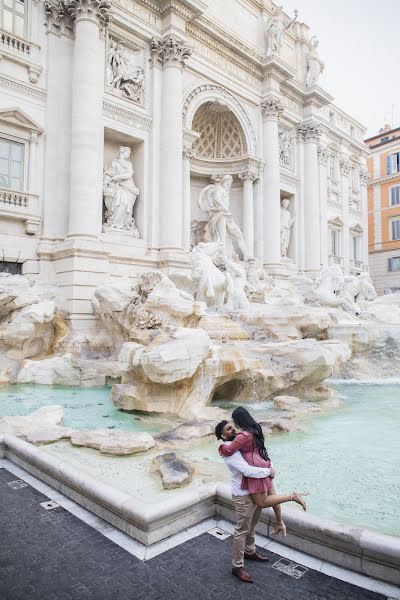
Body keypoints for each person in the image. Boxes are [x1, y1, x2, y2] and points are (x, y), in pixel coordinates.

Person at [219, 407, 307, 530]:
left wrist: (220, 449)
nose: (234, 425)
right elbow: (261, 448)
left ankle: (292, 496)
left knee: (262, 502)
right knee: (273, 495)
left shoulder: (242, 436)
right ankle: (279, 522)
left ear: (239, 420)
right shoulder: (256, 429)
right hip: (265, 463)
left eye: (234, 421)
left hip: (257, 468)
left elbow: (228, 450)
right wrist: (269, 466)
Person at [215, 419, 271, 584]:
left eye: (233, 427)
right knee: (241, 530)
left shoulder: (240, 445)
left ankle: (250, 551)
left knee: (252, 526)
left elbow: (257, 456)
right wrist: (268, 471)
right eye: (228, 429)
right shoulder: (229, 452)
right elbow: (247, 470)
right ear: (222, 435)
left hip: (254, 491)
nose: (233, 430)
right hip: (242, 495)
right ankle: (237, 566)